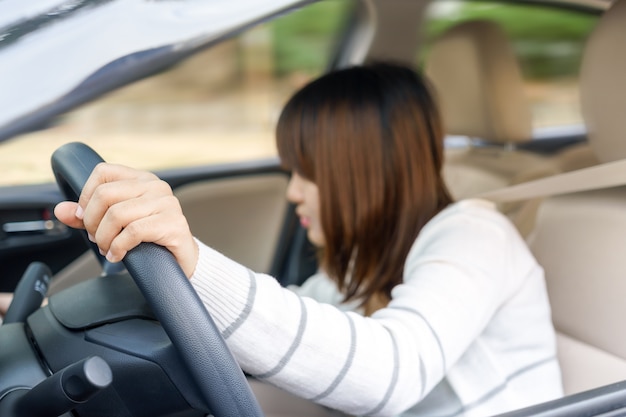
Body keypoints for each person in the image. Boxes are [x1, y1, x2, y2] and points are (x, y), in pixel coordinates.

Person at [52, 62, 562, 416]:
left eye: (308, 171)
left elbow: (390, 373)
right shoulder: (361, 264)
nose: (293, 191)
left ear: (366, 169)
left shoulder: (476, 233)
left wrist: (195, 264)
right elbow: (294, 325)